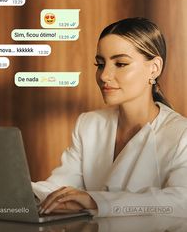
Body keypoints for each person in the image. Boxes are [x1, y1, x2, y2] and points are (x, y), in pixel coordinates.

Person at [32, 17, 187, 218]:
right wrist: (17, 191)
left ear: (154, 68)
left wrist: (94, 202)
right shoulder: (88, 125)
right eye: (100, 64)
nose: (104, 75)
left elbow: (180, 202)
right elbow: (57, 189)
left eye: (120, 64)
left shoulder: (181, 134)